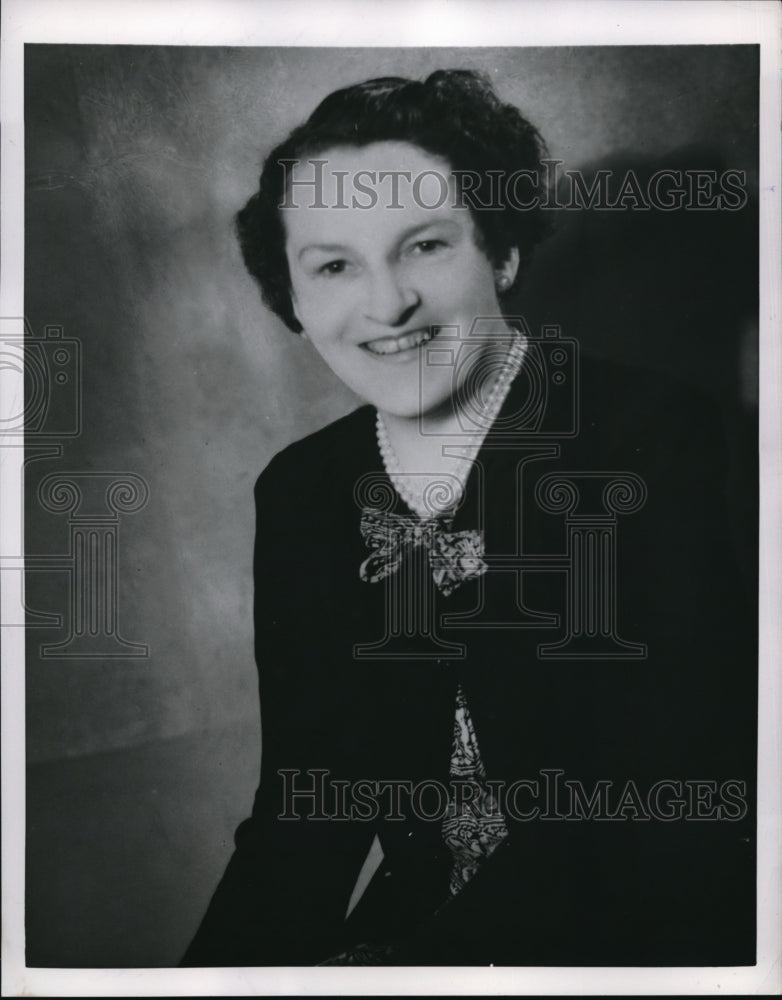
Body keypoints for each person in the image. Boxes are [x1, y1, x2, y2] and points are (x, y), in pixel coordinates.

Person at [182, 70, 755, 967]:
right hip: (419, 941)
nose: (386, 304)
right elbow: (302, 813)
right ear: (292, 298)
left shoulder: (645, 433)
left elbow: (656, 795)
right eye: (334, 266)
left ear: (502, 253)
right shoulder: (301, 492)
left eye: (423, 246)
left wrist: (406, 974)